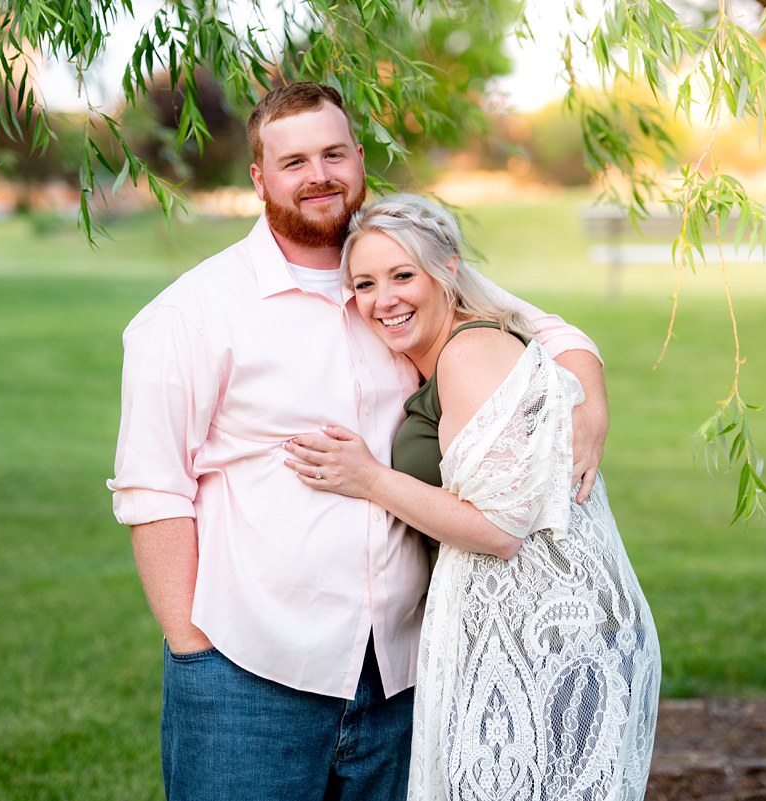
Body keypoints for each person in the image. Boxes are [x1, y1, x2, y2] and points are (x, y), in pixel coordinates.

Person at [107, 82, 610, 801]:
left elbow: (548, 331)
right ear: (259, 177)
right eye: (294, 161)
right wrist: (194, 651)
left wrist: (590, 404)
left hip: (404, 671)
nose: (319, 175)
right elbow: (152, 489)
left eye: (333, 153)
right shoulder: (192, 314)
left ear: (358, 159)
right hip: (251, 672)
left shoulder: (397, 271)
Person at [282, 194, 660, 801]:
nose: (385, 299)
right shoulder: (443, 354)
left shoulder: (470, 353)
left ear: (448, 269)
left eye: (404, 275)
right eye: (366, 284)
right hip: (520, 631)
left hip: (553, 637)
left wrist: (369, 477)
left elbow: (498, 530)